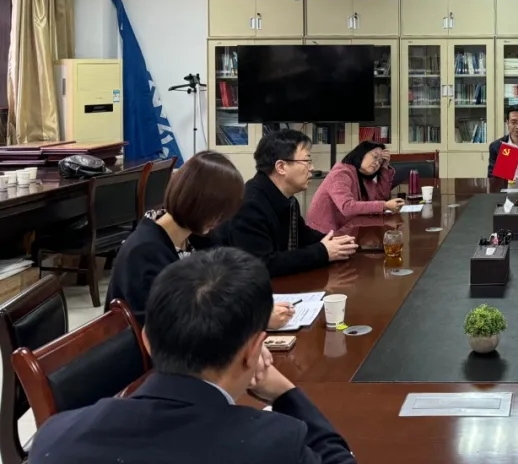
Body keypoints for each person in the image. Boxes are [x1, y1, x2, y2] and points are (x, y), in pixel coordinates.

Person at [29, 248, 357, 464]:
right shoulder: (276, 444)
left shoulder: (54, 438)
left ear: (147, 340)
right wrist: (286, 393)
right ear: (254, 350)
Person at [105, 151, 303, 329]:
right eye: (216, 212)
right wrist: (254, 320)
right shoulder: (144, 251)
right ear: (196, 202)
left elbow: (228, 284)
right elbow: (168, 327)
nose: (219, 221)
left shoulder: (197, 236)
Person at [215, 129, 357, 277]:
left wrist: (337, 242)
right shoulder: (250, 205)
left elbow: (302, 235)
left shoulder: (288, 199)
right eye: (307, 161)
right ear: (281, 167)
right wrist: (323, 252)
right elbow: (262, 264)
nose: (312, 168)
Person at [306, 140, 404, 233]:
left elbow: (381, 196)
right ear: (361, 153)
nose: (377, 163)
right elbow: (347, 207)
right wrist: (385, 205)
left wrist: (384, 167)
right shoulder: (341, 173)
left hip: (347, 229)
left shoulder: (364, 177)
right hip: (323, 235)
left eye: (380, 162)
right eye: (375, 157)